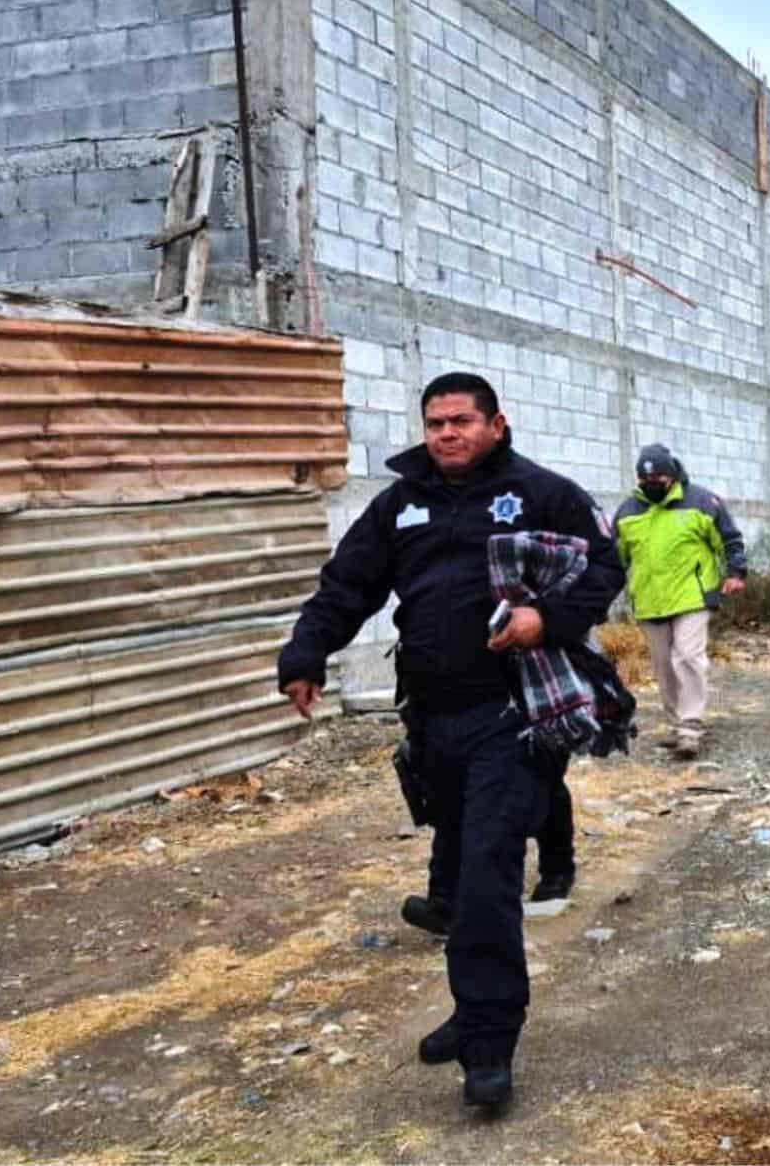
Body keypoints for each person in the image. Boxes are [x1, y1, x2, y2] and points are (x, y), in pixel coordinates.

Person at [276, 372, 622, 1110]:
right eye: (434, 423)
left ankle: (490, 1043)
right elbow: (348, 584)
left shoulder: (542, 492)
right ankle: (472, 1012)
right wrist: (306, 653)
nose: (446, 434)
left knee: (490, 871)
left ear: (497, 423)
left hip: (514, 715)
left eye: (461, 421)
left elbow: (603, 565)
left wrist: (547, 620)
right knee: (462, 874)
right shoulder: (401, 503)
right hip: (435, 718)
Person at [611, 444, 747, 759]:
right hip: (649, 599)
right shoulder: (628, 512)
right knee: (662, 665)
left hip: (692, 594)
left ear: (671, 476)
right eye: (645, 479)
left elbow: (729, 539)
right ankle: (676, 723)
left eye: (658, 477)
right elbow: (614, 558)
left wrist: (736, 572)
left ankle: (690, 726)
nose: (651, 483)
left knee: (687, 656)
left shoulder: (702, 502)